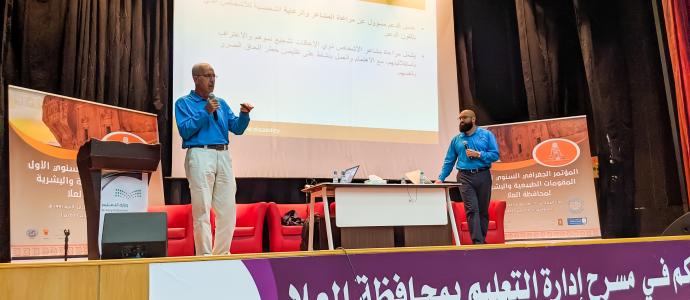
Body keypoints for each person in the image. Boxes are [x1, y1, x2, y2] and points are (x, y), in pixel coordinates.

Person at [175, 62, 254, 255]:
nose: (212, 80)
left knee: (227, 211)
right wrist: (205, 111)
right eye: (207, 75)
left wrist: (244, 115)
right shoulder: (183, 103)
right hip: (200, 154)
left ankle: (221, 256)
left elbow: (237, 128)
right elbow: (185, 130)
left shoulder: (221, 102)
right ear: (196, 79)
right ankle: (205, 258)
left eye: (214, 76)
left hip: (223, 155)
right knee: (202, 210)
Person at [436, 109, 499, 244]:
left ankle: (481, 241)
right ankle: (478, 242)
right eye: (460, 119)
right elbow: (449, 160)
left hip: (483, 175)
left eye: (464, 118)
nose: (461, 121)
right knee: (472, 209)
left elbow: (495, 155)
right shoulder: (456, 140)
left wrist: (480, 154)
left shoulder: (486, 135)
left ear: (473, 119)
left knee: (483, 210)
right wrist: (441, 177)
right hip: (464, 177)